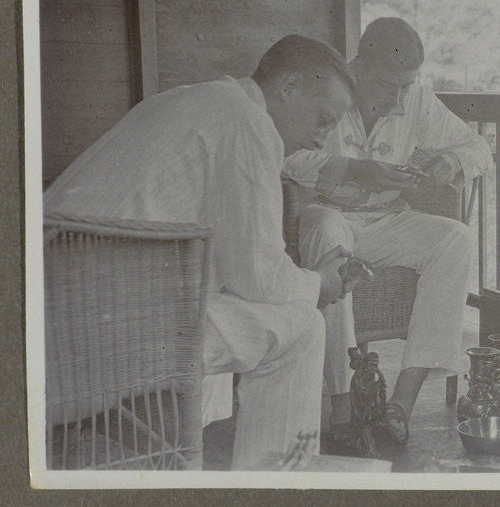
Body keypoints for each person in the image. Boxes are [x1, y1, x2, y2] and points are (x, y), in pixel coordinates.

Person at [44, 35, 360, 470]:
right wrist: (320, 283)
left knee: (232, 303)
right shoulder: (247, 121)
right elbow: (261, 279)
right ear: (288, 88)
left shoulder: (183, 100)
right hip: (89, 346)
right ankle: (279, 484)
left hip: (47, 324)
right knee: (303, 326)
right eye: (324, 119)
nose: (323, 140)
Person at [282, 17, 492, 446]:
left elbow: (479, 148)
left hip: (386, 222)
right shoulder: (326, 87)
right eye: (388, 85)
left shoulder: (415, 98)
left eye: (406, 85)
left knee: (457, 239)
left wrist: (449, 163)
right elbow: (287, 157)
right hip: (330, 214)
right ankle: (342, 401)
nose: (398, 98)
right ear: (358, 66)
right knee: (327, 229)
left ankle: (402, 402)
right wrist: (353, 170)